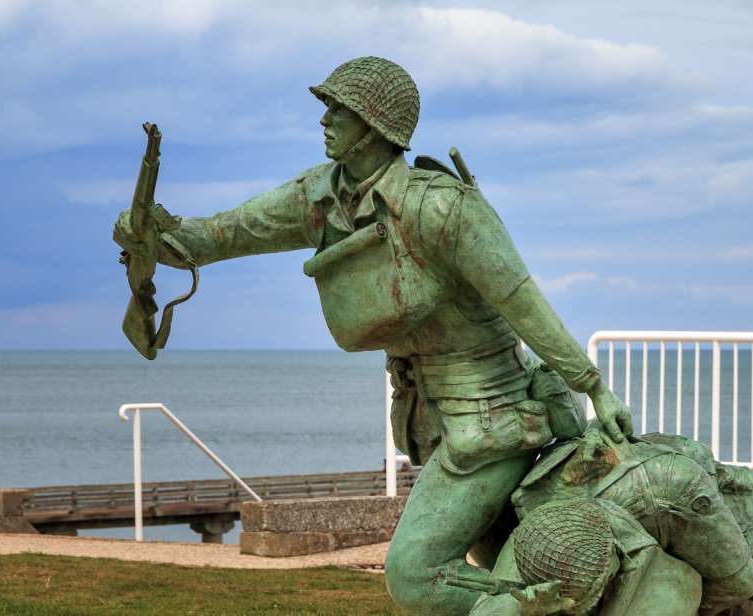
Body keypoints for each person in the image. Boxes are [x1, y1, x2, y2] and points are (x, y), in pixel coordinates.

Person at [112, 56, 634, 615]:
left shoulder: (443, 207)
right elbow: (220, 236)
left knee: (416, 576)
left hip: (490, 417)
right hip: (427, 420)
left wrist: (593, 386)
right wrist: (153, 237)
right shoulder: (321, 196)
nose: (326, 119)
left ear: (375, 124)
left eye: (339, 108)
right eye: (328, 106)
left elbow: (521, 300)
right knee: (507, 558)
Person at [465, 425, 753, 616]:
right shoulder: (540, 538)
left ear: (617, 556)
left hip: (731, 524)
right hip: (662, 535)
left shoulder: (672, 519)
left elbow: (739, 581)